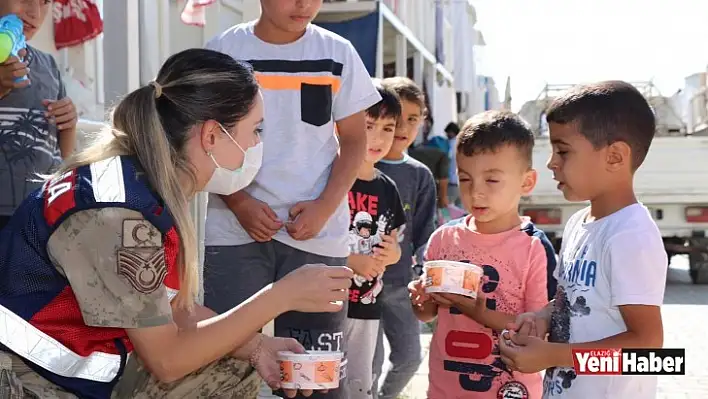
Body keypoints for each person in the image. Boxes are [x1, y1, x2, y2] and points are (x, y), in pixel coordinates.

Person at [0, 48, 354, 399]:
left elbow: (168, 307)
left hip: (52, 374)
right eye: (254, 129)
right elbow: (167, 359)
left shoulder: (140, 185)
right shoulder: (121, 214)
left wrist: (258, 346)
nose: (257, 143)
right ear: (212, 135)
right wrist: (281, 296)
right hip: (22, 381)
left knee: (234, 365)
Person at [202, 1, 380, 398]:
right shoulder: (223, 51)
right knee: (225, 365)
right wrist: (239, 201)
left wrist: (324, 208)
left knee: (312, 376)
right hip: (231, 229)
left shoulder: (339, 53)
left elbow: (354, 142)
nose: (304, 5)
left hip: (316, 234)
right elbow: (203, 138)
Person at [499, 81, 667, 399]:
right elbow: (575, 301)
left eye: (562, 150)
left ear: (615, 156)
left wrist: (554, 355)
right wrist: (541, 317)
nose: (551, 162)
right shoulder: (578, 223)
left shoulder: (631, 236)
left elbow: (647, 351)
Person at [408, 110, 557, 399]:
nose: (476, 192)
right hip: (445, 389)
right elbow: (427, 314)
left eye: (491, 181)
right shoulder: (443, 238)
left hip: (512, 390)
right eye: (465, 179)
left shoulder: (533, 248)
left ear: (526, 183)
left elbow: (534, 331)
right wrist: (419, 298)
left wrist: (478, 312)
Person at [372, 76, 436, 399]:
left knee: (410, 357)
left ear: (422, 122)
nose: (403, 127)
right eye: (396, 118)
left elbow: (425, 233)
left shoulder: (420, 175)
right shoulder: (359, 165)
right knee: (368, 363)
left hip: (400, 284)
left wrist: (428, 275)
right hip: (360, 285)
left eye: (413, 118)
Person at [344, 80, 406, 399]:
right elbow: (310, 245)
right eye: (369, 126)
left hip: (368, 306)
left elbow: (395, 248)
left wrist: (391, 254)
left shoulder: (387, 188)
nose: (378, 138)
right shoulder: (333, 178)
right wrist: (353, 261)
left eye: (387, 128)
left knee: (359, 385)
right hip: (327, 307)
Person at [0, 0, 78, 229]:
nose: (35, 12)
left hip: (39, 214)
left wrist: (69, 124)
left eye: (45, 2)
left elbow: (62, 154)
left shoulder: (48, 66)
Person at [444, 122, 461, 206]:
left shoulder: (451, 144)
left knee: (447, 209)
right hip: (461, 183)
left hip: (452, 182)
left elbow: (448, 158)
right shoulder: (462, 143)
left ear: (452, 132)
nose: (447, 135)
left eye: (448, 133)